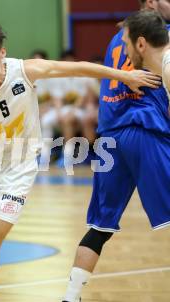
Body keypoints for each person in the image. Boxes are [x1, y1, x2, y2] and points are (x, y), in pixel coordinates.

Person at [0, 23, 160, 302]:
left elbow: (79, 67)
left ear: (2, 53)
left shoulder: (26, 70)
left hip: (19, 166)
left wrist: (123, 75)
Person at [62, 5, 170, 302]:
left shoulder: (120, 37)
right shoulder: (161, 42)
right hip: (144, 130)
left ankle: (71, 297)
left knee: (99, 227)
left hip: (109, 136)